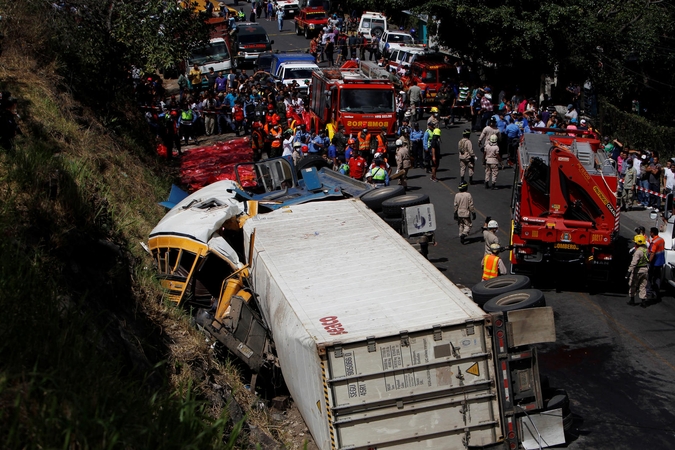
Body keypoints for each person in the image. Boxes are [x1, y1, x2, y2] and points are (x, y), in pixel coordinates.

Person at [627, 234, 649, 307]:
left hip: (638, 270)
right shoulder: (646, 249)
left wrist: (628, 272)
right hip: (645, 269)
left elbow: (634, 263)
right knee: (643, 285)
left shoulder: (638, 252)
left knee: (633, 284)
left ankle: (632, 300)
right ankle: (643, 301)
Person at [647, 227, 665, 302]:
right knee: (657, 277)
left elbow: (652, 253)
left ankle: (648, 292)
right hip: (661, 262)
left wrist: (649, 261)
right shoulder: (661, 240)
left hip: (654, 263)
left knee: (649, 277)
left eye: (650, 232)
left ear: (652, 233)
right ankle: (656, 292)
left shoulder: (654, 242)